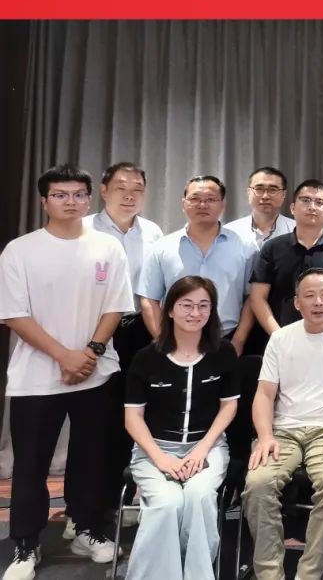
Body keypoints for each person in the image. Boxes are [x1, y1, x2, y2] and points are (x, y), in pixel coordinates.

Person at [1, 165, 131, 579]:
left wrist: (90, 353)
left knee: (91, 458)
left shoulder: (108, 247)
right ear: (45, 201)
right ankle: (26, 543)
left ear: (90, 199)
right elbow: (14, 314)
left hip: (96, 373)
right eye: (60, 195)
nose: (70, 201)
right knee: (31, 464)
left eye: (78, 194)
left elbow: (116, 305)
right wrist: (64, 356)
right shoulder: (20, 250)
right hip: (36, 377)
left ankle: (86, 529)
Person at [242, 268, 323, 580]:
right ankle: (269, 574)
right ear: (297, 303)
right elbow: (264, 394)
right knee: (258, 484)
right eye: (309, 296)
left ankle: (309, 574)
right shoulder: (281, 338)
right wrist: (265, 436)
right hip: (283, 430)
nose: (318, 302)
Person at [123, 276, 239, 580]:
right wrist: (161, 459)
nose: (195, 313)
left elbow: (229, 407)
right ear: (170, 310)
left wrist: (202, 450)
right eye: (186, 305)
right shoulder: (146, 358)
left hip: (208, 447)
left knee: (199, 497)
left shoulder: (223, 353)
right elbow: (133, 417)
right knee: (166, 503)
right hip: (154, 450)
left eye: (203, 306)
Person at [84, 161, 165, 536]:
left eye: (137, 189)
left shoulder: (153, 233)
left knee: (136, 415)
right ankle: (86, 509)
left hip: (139, 330)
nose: (129, 195)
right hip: (94, 329)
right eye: (121, 187)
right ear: (103, 190)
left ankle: (126, 498)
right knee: (97, 420)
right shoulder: (84, 229)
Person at [137, 175, 259, 342]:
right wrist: (163, 341)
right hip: (174, 339)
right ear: (183, 204)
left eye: (211, 199)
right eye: (195, 199)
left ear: (222, 205)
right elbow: (149, 299)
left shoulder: (245, 246)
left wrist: (238, 341)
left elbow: (252, 297)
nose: (202, 205)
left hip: (227, 338)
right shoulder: (162, 247)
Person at [245, 179, 323, 356]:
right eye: (305, 200)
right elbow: (257, 297)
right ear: (292, 208)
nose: (312, 207)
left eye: (319, 202)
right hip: (279, 343)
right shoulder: (272, 248)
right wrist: (279, 336)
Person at [224, 167, 295, 250]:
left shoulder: (297, 230)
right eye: (259, 189)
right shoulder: (229, 232)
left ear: (284, 194)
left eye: (273, 190)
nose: (265, 196)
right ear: (249, 192)